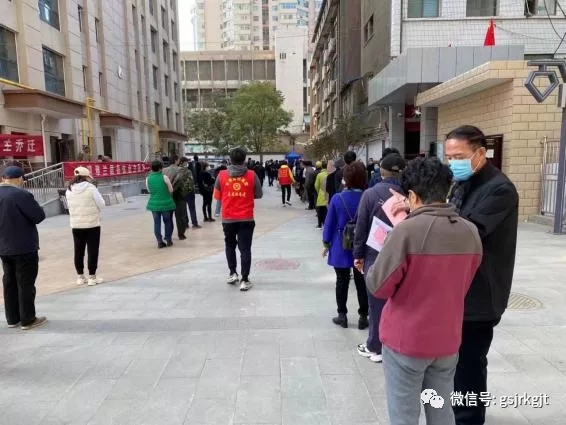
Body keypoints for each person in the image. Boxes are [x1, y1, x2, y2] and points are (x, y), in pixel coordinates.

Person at [366, 157, 483, 425]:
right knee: (441, 412)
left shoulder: (406, 231)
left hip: (406, 341)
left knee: (404, 415)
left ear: (412, 196)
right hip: (447, 340)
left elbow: (378, 286)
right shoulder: (470, 232)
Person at [444, 126, 519, 425]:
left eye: (459, 156)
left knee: (470, 367)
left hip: (480, 295)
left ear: (480, 153)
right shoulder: (462, 183)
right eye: (449, 157)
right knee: (456, 365)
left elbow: (469, 231)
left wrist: (425, 217)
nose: (453, 163)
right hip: (458, 289)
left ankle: (470, 419)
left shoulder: (500, 189)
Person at [354, 153, 406, 363]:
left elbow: (361, 227)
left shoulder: (370, 194)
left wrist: (358, 255)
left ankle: (376, 345)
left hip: (375, 255)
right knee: (400, 302)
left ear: (381, 171)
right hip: (404, 254)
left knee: (376, 303)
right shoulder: (410, 195)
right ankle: (397, 343)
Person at [322, 161, 368, 330]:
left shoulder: (337, 198)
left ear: (345, 179)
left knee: (341, 281)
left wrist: (326, 243)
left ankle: (342, 315)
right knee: (361, 281)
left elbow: (329, 223)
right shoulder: (367, 197)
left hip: (340, 244)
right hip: (362, 244)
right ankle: (363, 316)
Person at [0, 165, 47, 330]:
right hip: (24, 246)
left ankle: (12, 319)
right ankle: (28, 319)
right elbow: (38, 216)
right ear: (20, 179)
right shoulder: (21, 194)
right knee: (25, 282)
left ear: (3, 178)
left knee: (9, 281)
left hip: (3, 247)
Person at [214, 147, 263, 291]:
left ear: (230, 160)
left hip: (228, 218)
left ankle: (232, 273)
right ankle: (245, 279)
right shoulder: (252, 175)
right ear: (245, 160)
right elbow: (259, 194)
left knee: (230, 245)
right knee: (245, 249)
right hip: (246, 218)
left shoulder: (221, 175)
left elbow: (217, 196)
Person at [66, 166, 106, 286]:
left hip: (76, 225)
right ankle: (92, 277)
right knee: (92, 250)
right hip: (92, 224)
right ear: (86, 176)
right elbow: (102, 204)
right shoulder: (91, 188)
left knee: (78, 251)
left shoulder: (69, 189)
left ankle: (80, 276)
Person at [146, 160, 176, 248]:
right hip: (166, 203)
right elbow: (171, 190)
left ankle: (159, 241)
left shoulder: (148, 178)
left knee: (157, 223)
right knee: (167, 221)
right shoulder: (164, 177)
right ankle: (168, 240)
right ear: (160, 168)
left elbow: (149, 190)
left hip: (154, 204)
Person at [171, 157, 192, 239]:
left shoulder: (165, 170)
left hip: (168, 196)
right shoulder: (185, 171)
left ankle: (168, 236)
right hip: (179, 195)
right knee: (180, 215)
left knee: (168, 218)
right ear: (177, 161)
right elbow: (190, 183)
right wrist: (187, 192)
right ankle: (181, 233)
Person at [314, 160, 329, 229]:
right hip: (328, 195)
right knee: (327, 211)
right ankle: (326, 224)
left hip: (321, 194)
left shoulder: (319, 175)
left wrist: (319, 191)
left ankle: (319, 224)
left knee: (320, 211)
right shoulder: (330, 174)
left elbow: (316, 185)